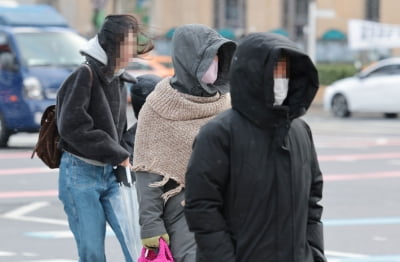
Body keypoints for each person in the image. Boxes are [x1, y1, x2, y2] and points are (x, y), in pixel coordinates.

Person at [184, 32, 327, 262]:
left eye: (286, 72)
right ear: (253, 74)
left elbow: (312, 202)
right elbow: (202, 208)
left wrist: (315, 253)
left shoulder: (300, 132)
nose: (282, 79)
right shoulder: (219, 134)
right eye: (275, 71)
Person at [132, 24, 236, 261]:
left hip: (227, 212)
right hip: (183, 215)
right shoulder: (158, 107)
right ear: (190, 59)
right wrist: (151, 226)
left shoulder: (225, 104)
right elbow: (147, 174)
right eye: (210, 57)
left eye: (219, 57)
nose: (216, 63)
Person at [56, 14, 153, 262]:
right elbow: (73, 127)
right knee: (93, 254)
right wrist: (119, 154)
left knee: (135, 246)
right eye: (128, 43)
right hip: (80, 173)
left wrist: (140, 133)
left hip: (112, 175)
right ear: (113, 44)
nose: (133, 50)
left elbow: (118, 134)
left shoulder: (118, 78)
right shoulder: (84, 74)